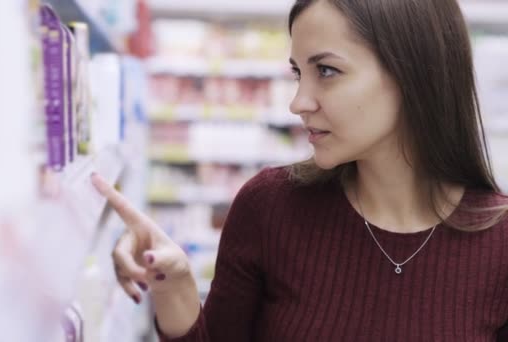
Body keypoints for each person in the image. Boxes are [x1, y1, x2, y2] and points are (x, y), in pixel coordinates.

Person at [91, 0, 508, 340]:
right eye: (298, 72)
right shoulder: (270, 207)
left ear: (413, 74)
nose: (298, 101)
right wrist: (176, 287)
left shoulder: (500, 241)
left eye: (326, 71)